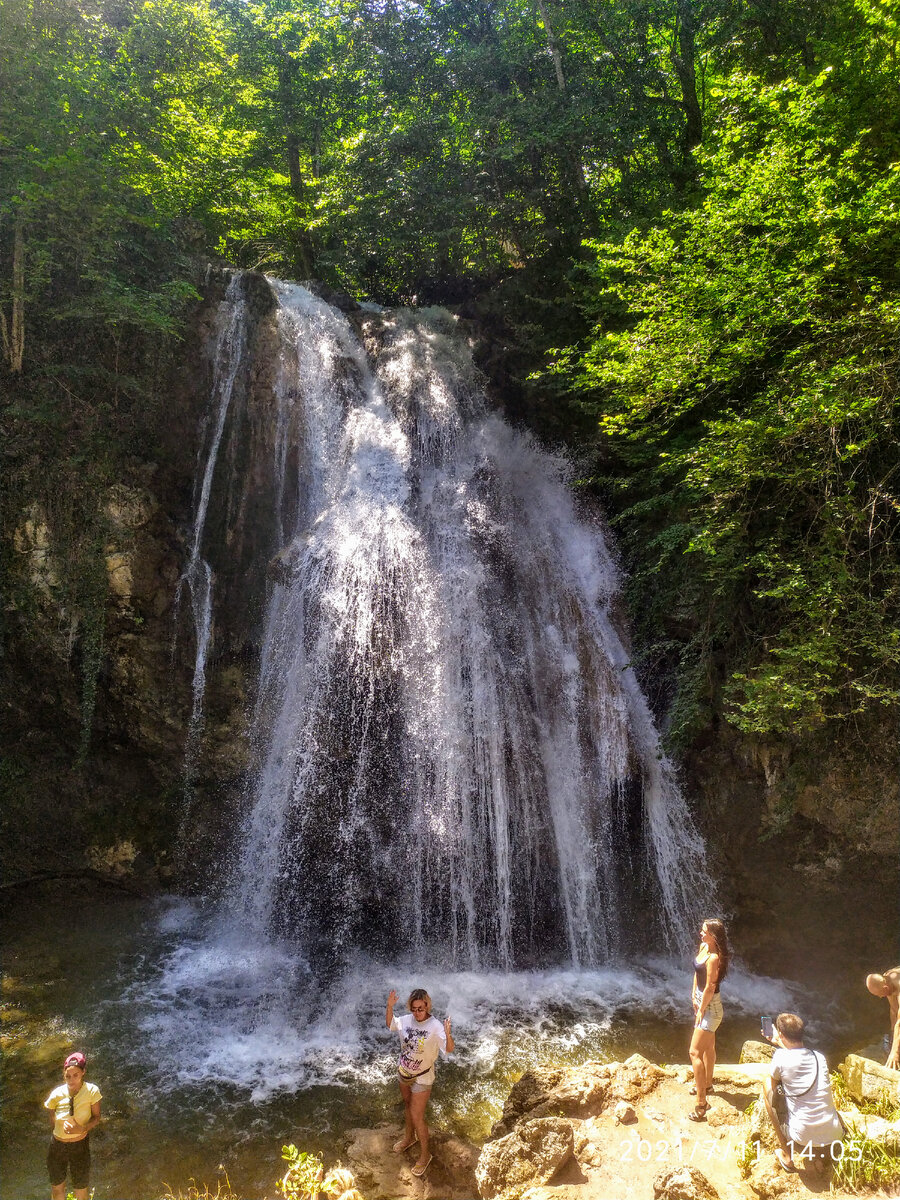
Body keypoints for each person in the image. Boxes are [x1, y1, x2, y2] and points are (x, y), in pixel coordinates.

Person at [761, 1012, 843, 1173]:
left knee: (766, 1086)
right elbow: (796, 1054)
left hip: (801, 1138)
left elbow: (774, 1082)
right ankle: (820, 1156)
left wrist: (778, 1043)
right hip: (834, 1135)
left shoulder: (780, 1057)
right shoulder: (819, 1057)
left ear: (781, 1033)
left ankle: (787, 1155)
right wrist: (780, 1041)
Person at [386, 987, 454, 1177]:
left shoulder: (435, 1026)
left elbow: (448, 1049)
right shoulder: (406, 1020)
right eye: (414, 1009)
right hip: (404, 1072)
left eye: (421, 1009)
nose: (417, 1012)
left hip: (423, 1076)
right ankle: (409, 1138)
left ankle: (426, 1155)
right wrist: (389, 1006)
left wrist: (448, 1035)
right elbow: (390, 1023)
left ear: (427, 1006)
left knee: (417, 1115)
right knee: (407, 1106)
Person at [43, 1051, 102, 1200]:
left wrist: (82, 1129)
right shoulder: (57, 1093)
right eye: (68, 1076)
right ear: (64, 1075)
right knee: (57, 1189)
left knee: (81, 1190)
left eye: (75, 1075)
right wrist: (57, 1126)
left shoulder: (92, 1091)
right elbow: (50, 1110)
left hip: (79, 1146)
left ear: (83, 1072)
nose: (71, 1079)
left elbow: (96, 1117)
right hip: (57, 1146)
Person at [688, 918, 729, 1121]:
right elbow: (697, 971)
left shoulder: (714, 957)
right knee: (709, 1048)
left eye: (704, 931)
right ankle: (707, 1084)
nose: (700, 933)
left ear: (714, 936)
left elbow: (711, 987)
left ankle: (701, 1103)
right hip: (702, 1002)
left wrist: (700, 1010)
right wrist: (693, 995)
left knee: (694, 1052)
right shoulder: (704, 947)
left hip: (711, 1008)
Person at [865, 968, 900, 1070]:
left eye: (880, 994)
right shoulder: (887, 979)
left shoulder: (897, 983)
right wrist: (893, 1034)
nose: (880, 997)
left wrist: (895, 1052)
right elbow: (894, 1010)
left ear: (885, 987)